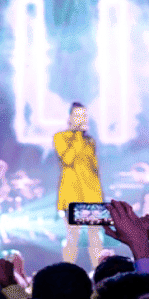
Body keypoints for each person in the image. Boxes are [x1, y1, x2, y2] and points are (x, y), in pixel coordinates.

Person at [54, 102, 103, 267]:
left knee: (95, 238)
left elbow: (94, 170)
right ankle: (68, 271)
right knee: (72, 237)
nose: (81, 119)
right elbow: (67, 159)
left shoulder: (90, 141)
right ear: (69, 118)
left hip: (92, 196)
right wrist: (76, 135)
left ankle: (98, 272)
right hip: (72, 195)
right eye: (77, 115)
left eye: (84, 116)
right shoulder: (61, 137)